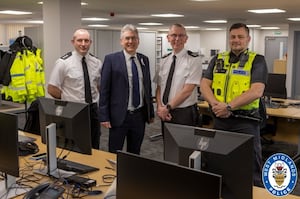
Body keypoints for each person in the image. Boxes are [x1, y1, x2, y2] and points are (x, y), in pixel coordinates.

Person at [200, 23, 268, 186]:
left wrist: (228, 106)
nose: (236, 40)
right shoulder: (218, 59)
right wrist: (216, 104)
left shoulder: (257, 61)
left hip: (245, 123)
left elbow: (256, 91)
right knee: (218, 163)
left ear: (248, 39)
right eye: (233, 37)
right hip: (221, 120)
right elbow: (204, 84)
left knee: (250, 167)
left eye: (240, 36)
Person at [99, 24, 154, 155]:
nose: (130, 42)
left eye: (134, 38)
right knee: (114, 152)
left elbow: (147, 88)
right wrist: (104, 116)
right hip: (119, 116)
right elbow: (104, 90)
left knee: (135, 152)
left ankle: (131, 175)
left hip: (139, 116)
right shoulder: (111, 59)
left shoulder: (144, 59)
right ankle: (113, 175)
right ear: (121, 41)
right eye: (127, 38)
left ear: (138, 41)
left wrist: (150, 112)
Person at [48, 28, 102, 149]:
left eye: (86, 41)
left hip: (92, 109)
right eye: (80, 40)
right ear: (73, 42)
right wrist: (67, 99)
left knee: (94, 143)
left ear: (90, 42)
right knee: (74, 145)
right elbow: (52, 88)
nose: (83, 44)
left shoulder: (97, 62)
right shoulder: (63, 63)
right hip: (73, 109)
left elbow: (98, 86)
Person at [154, 23, 202, 130]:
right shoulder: (163, 60)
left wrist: (167, 107)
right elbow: (159, 88)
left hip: (184, 112)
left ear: (186, 39)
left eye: (181, 36)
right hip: (164, 111)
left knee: (185, 145)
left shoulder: (194, 60)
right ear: (168, 38)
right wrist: (160, 107)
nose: (177, 39)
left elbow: (187, 90)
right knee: (167, 144)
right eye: (174, 35)